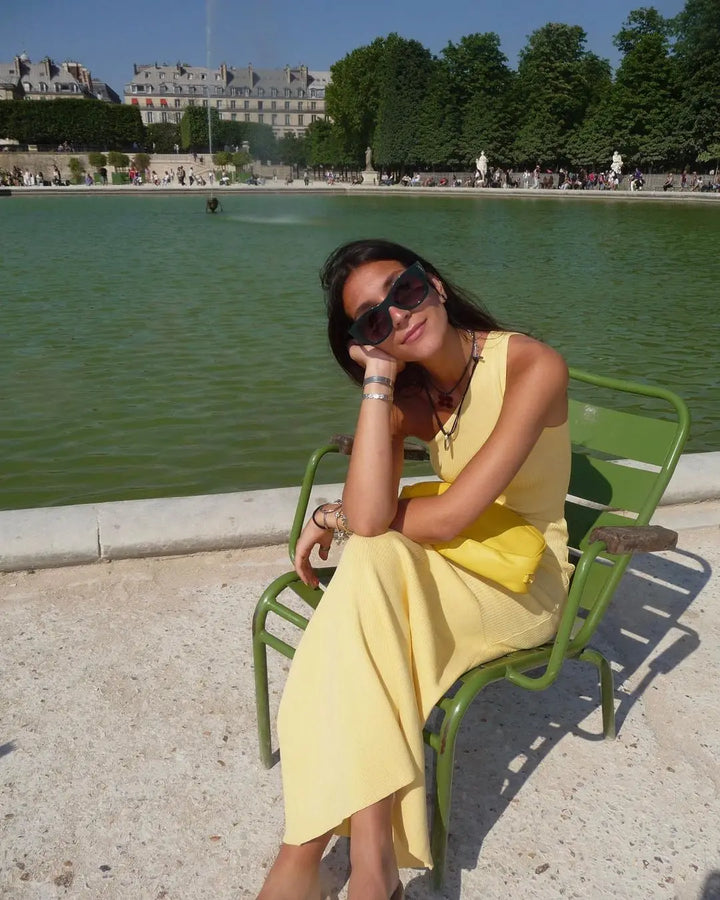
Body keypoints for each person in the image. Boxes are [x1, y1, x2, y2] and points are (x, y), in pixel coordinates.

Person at [257, 239, 573, 899]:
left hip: (525, 581)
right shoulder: (420, 394)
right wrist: (379, 378)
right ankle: (372, 872)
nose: (398, 316)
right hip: (451, 562)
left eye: (402, 291)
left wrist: (338, 516)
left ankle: (303, 858)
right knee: (374, 579)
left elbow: (445, 516)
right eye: (373, 321)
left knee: (368, 585)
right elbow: (375, 515)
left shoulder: (531, 366)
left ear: (433, 283)